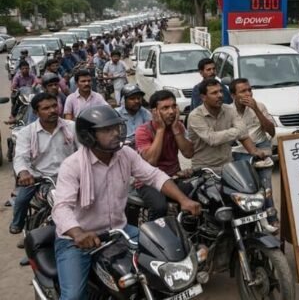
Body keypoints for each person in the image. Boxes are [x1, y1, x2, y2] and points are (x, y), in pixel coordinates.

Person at [52, 105, 201, 300]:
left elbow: (154, 176)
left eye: (116, 128)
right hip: (78, 240)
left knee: (163, 261)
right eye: (107, 130)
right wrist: (78, 233)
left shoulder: (125, 154)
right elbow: (62, 206)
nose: (115, 133)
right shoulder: (72, 166)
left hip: (120, 231)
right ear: (88, 136)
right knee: (73, 296)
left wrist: (183, 200)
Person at [10, 93, 78, 234]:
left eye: (54, 106)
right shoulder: (26, 133)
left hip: (70, 177)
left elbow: (85, 150)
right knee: (22, 199)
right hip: (39, 179)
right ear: (36, 112)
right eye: (46, 108)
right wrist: (24, 173)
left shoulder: (72, 127)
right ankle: (18, 223)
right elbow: (21, 157)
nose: (52, 110)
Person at [134, 90, 195, 221]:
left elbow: (189, 153)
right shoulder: (143, 131)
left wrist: (175, 129)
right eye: (165, 108)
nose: (171, 111)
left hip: (173, 177)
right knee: (159, 207)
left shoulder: (178, 126)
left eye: (174, 106)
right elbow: (151, 162)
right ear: (154, 112)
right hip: (148, 181)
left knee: (197, 193)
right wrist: (161, 130)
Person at [230, 78, 278, 231]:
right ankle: (251, 222)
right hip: (240, 151)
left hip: (262, 147)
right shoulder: (228, 111)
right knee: (247, 188)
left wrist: (256, 110)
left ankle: (272, 218)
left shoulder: (260, 106)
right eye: (243, 91)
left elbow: (271, 131)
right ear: (233, 95)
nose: (248, 94)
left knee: (266, 186)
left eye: (249, 90)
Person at [187, 78, 266, 169]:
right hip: (205, 168)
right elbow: (212, 139)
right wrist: (236, 132)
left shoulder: (229, 110)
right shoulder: (195, 116)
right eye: (214, 93)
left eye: (221, 91)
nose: (220, 95)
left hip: (228, 165)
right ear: (203, 97)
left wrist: (254, 151)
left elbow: (244, 134)